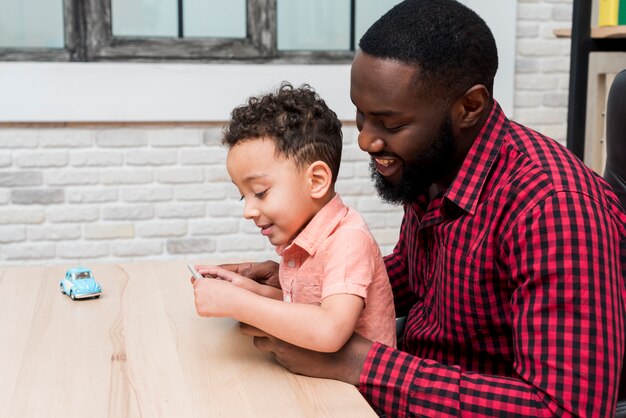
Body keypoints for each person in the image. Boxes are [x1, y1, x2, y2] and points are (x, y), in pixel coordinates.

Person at [218, 0, 626, 416]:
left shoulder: (555, 210)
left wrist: (359, 364)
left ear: (469, 108)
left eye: (391, 124)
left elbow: (566, 409)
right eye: (361, 116)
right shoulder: (433, 166)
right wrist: (316, 281)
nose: (366, 141)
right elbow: (423, 276)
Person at [191, 83, 396, 353]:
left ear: (316, 181)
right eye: (244, 197)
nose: (248, 211)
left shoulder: (348, 242)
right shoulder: (306, 239)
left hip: (354, 393)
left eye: (260, 193)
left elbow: (329, 329)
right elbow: (302, 307)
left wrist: (237, 304)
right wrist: (245, 290)